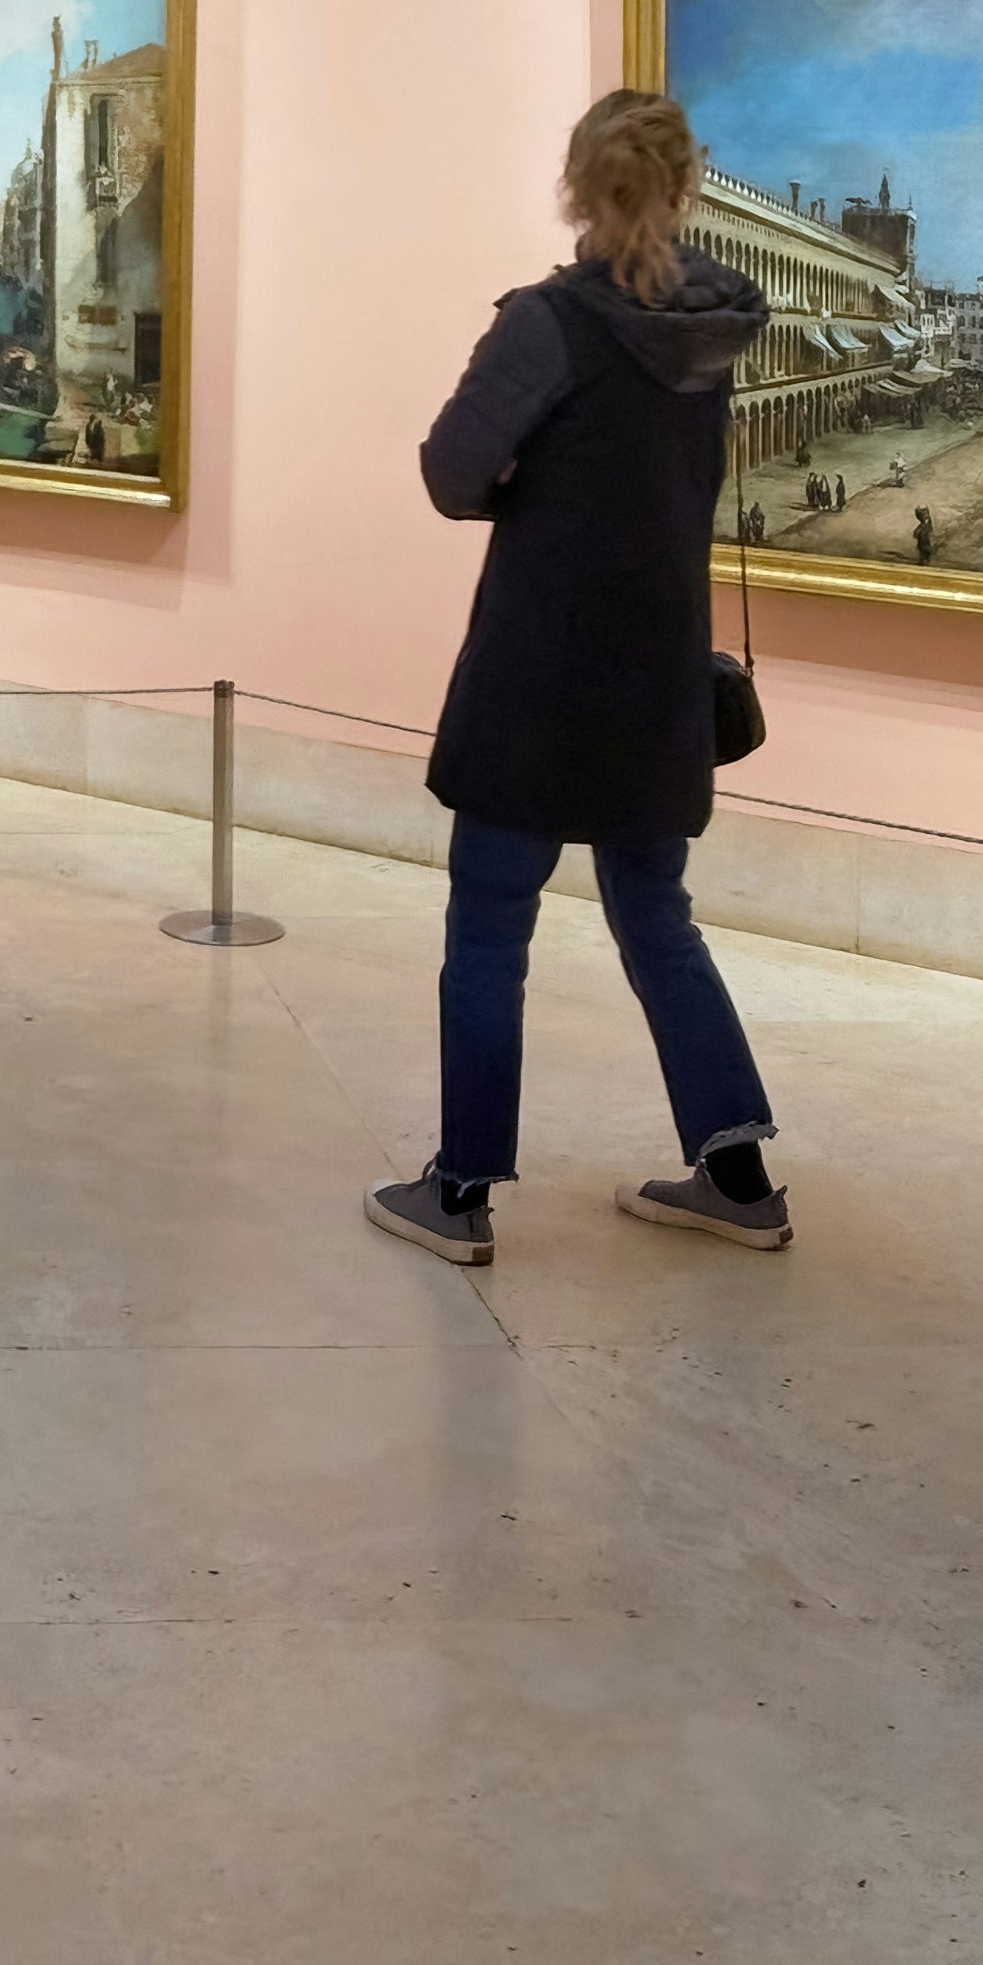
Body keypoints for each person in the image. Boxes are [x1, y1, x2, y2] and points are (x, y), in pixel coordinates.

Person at [364, 89, 790, 1268]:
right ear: (686, 185)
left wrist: (520, 492)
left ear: (576, 186)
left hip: (541, 672)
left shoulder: (545, 324)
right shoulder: (717, 327)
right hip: (656, 677)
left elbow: (452, 475)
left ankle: (458, 1191)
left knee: (491, 930)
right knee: (659, 918)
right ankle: (740, 1172)